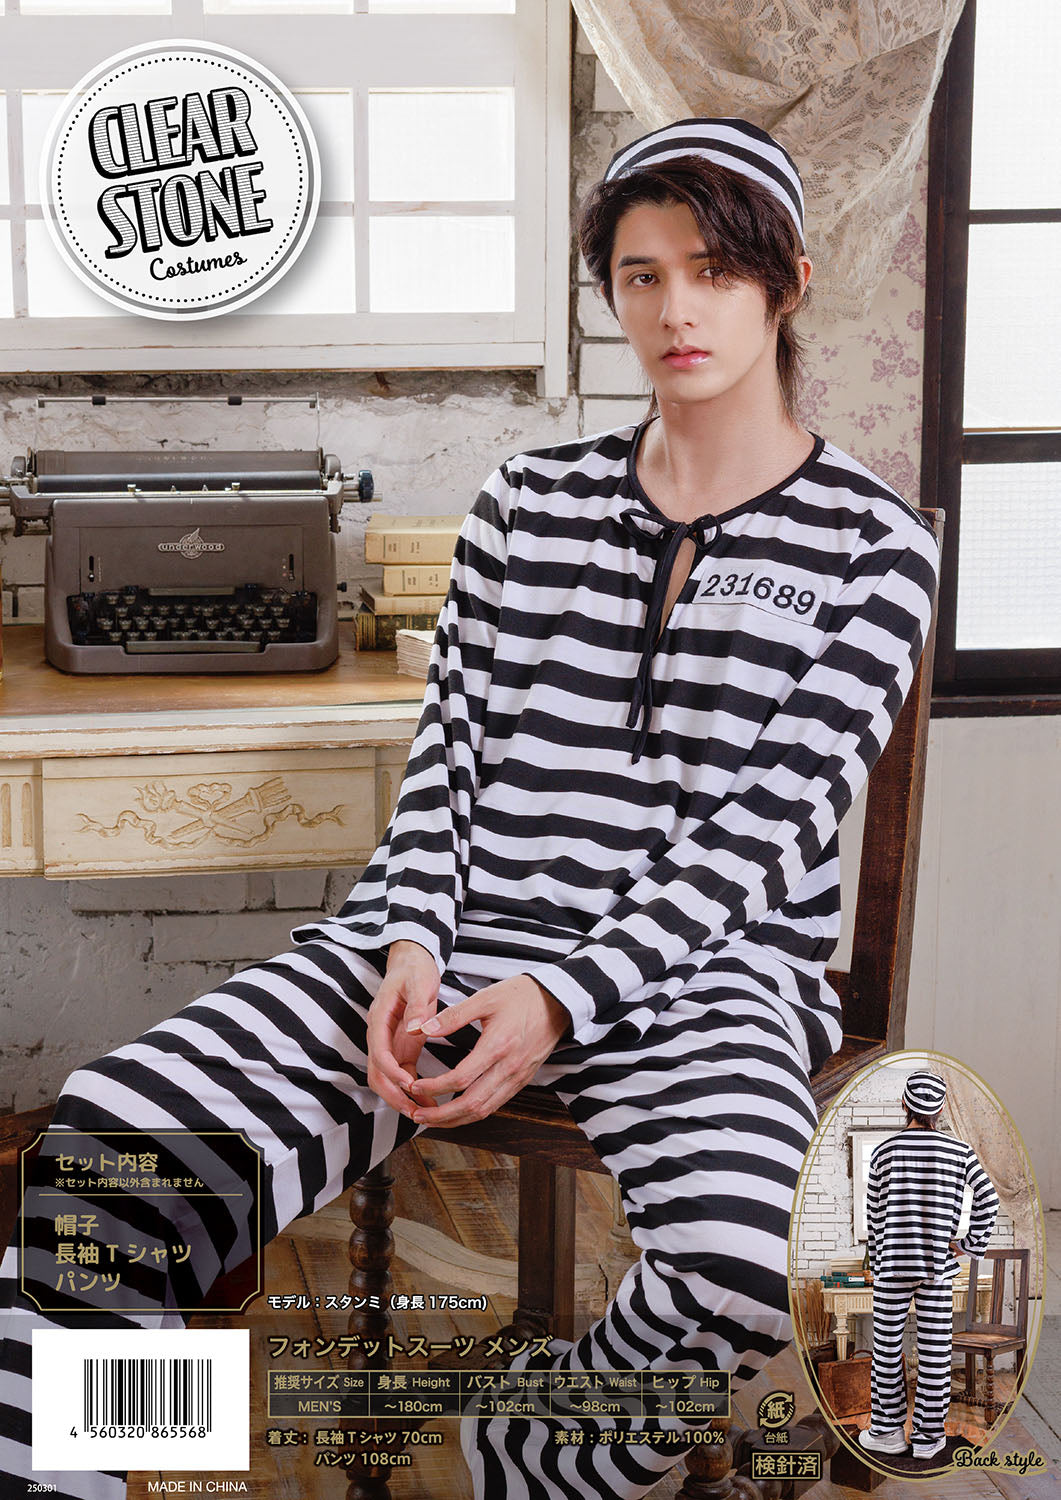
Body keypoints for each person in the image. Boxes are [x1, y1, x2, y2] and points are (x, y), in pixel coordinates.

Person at [0, 117, 940, 1500]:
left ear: (787, 283)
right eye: (638, 276)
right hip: (450, 946)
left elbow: (759, 837)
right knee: (101, 1154)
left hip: (706, 976)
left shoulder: (875, 545)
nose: (674, 311)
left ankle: (541, 1445)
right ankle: (88, 1475)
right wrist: (408, 947)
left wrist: (558, 998)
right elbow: (445, 766)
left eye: (713, 272)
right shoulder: (526, 501)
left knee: (744, 1268)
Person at [859, 1070, 1000, 1463]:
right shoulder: (960, 1152)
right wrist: (968, 1246)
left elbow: (874, 1217)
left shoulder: (883, 1152)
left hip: (892, 1267)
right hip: (937, 1266)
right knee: (936, 1354)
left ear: (904, 1104)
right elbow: (989, 1200)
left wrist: (879, 1260)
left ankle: (887, 1432)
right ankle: (927, 1438)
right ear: (940, 1110)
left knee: (887, 1351)